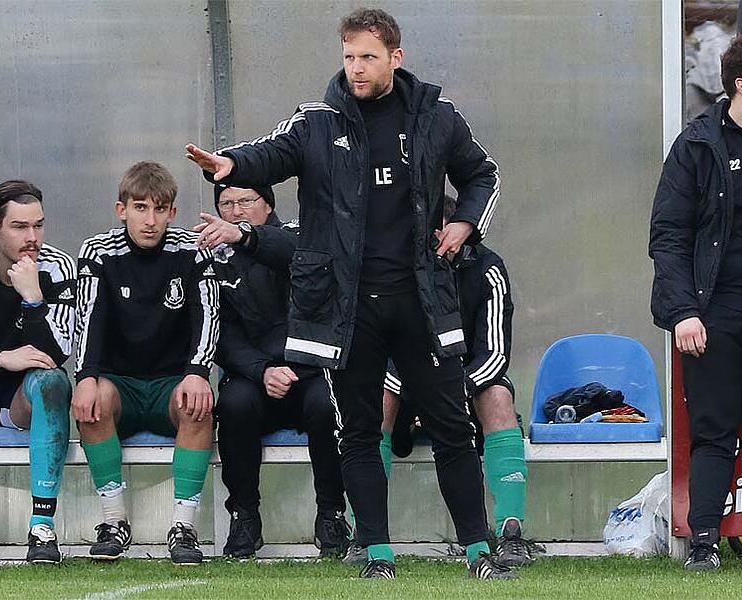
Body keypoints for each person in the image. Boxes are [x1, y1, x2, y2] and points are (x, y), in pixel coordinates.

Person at [187, 7, 513, 579]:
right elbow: (273, 153)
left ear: (395, 57)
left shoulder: (437, 116)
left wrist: (465, 223)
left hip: (421, 299)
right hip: (345, 306)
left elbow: (484, 174)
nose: (356, 68)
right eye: (348, 57)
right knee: (358, 430)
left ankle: (479, 550)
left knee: (453, 427)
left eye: (367, 56)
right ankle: (377, 553)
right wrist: (231, 163)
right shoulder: (317, 120)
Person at [650, 32, 742, 572]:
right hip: (713, 310)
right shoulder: (696, 146)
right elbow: (667, 234)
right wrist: (683, 311)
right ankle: (705, 542)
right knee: (712, 430)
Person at [343, 195, 534, 566]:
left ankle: (510, 532)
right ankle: (364, 536)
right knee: (376, 396)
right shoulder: (386, 270)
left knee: (497, 396)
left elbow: (493, 353)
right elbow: (375, 347)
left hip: (460, 387)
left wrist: (448, 393)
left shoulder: (487, 269)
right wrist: (416, 389)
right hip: (404, 386)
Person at [72, 161, 219, 565]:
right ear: (122, 210)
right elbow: (88, 317)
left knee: (199, 404)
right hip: (120, 384)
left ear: (172, 213)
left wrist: (197, 372)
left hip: (172, 383)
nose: (149, 220)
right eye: (140, 208)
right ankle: (114, 523)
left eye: (159, 209)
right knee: (91, 402)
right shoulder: (98, 251)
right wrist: (85, 376)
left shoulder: (191, 250)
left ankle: (184, 528)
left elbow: (208, 313)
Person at [194, 184, 350, 558]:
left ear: (268, 204)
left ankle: (331, 513)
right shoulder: (213, 259)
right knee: (234, 405)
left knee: (328, 408)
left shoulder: (301, 237)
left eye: (245, 202)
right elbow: (221, 332)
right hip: (253, 375)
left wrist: (247, 238)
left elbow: (298, 265)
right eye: (226, 204)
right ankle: (245, 516)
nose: (235, 211)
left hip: (310, 372)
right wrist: (262, 370)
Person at [0, 180, 75, 564]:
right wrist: (0, 357)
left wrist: (32, 300)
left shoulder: (56, 266)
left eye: (38, 225)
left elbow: (57, 354)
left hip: (20, 399)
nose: (32, 237)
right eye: (19, 227)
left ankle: (41, 528)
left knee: (52, 383)